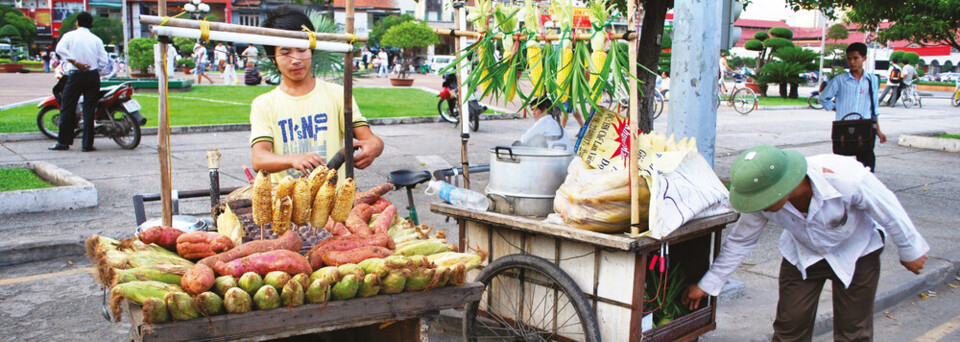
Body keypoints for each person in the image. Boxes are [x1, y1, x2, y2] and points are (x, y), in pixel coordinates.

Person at [682, 145, 929, 341]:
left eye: (764, 199)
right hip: (802, 254)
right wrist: (709, 284)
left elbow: (889, 209)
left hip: (858, 251)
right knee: (789, 325)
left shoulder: (846, 177)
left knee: (854, 330)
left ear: (783, 186)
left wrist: (910, 249)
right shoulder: (759, 202)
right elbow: (740, 241)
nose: (759, 206)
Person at [250, 6, 384, 182]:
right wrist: (293, 160)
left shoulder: (337, 94)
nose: (296, 59)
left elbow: (370, 139)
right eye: (285, 52)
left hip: (336, 202)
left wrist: (375, 147)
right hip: (286, 205)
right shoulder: (264, 104)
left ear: (312, 50)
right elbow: (259, 158)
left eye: (301, 49)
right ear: (273, 58)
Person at [819, 43, 887, 172]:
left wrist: (878, 130)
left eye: (856, 58)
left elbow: (874, 107)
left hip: (865, 127)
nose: (852, 62)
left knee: (867, 166)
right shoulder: (839, 80)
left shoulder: (871, 80)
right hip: (844, 127)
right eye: (849, 58)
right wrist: (836, 107)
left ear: (864, 58)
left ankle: (864, 190)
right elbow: (823, 98)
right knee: (840, 164)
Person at [49, 12, 109, 152]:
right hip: (92, 76)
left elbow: (59, 50)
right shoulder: (96, 39)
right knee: (89, 110)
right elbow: (104, 61)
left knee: (67, 107)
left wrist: (75, 62)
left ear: (77, 22)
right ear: (91, 24)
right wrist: (95, 68)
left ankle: (63, 142)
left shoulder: (69, 36)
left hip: (75, 75)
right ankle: (87, 144)